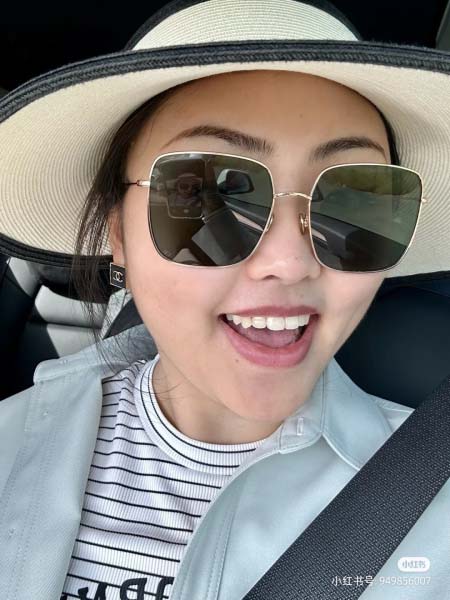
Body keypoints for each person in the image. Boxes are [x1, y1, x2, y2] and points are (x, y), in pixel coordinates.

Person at [0, 1, 449, 599]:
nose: (290, 261)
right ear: (118, 233)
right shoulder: (10, 444)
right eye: (208, 196)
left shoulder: (435, 506)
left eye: (355, 198)